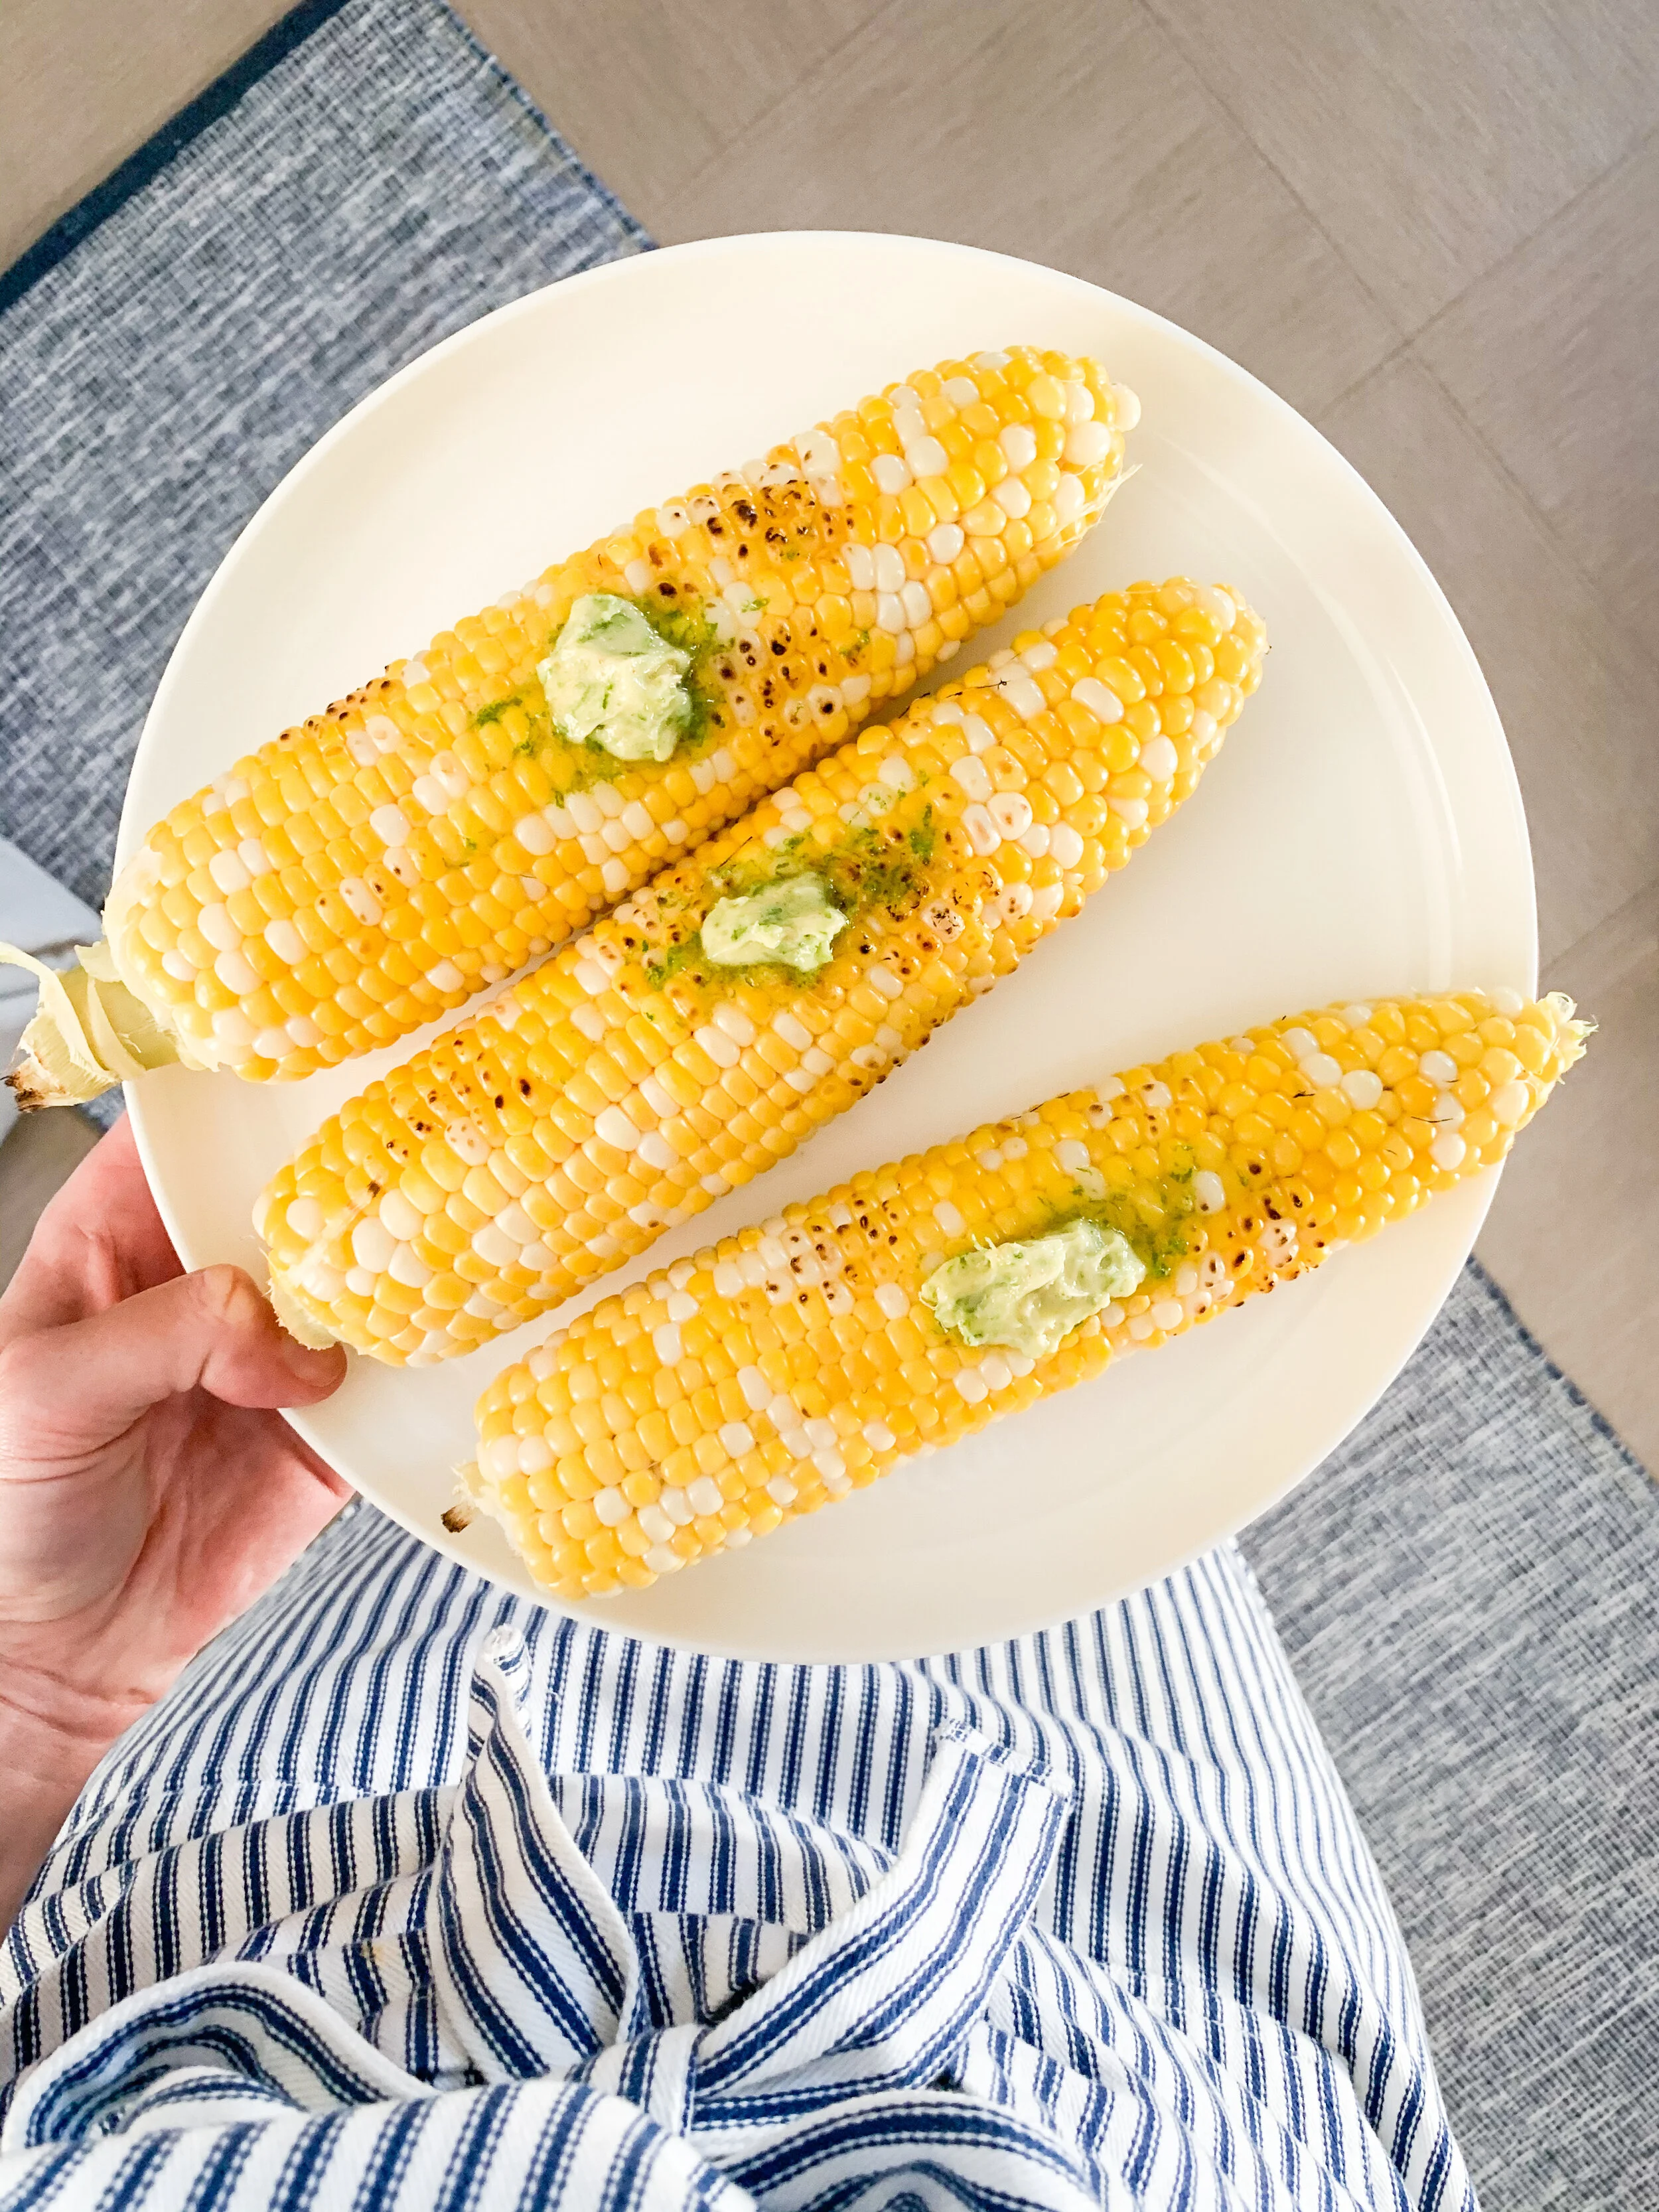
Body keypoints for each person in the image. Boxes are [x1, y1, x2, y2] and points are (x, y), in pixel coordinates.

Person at [0, 1118, 1475, 2211]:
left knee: (586, 1266)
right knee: (1100, 1408)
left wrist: (42, 1710)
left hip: (261, 1812)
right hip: (1126, 1948)